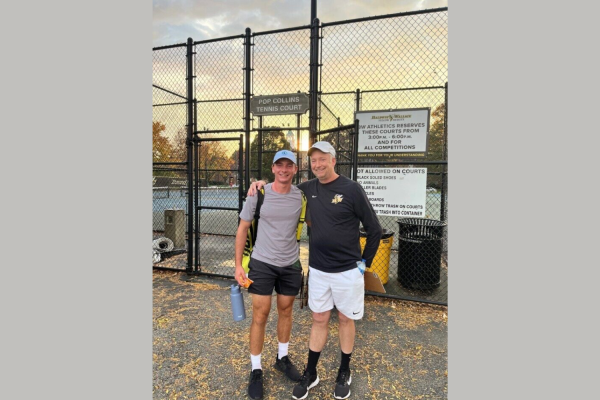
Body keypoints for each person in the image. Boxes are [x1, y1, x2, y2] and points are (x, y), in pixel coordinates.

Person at [248, 141, 382, 400]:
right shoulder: (307, 188)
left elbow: (374, 229)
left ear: (334, 161)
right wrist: (260, 183)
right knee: (319, 319)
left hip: (348, 271)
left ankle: (344, 371)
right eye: (314, 160)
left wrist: (364, 264)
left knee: (345, 319)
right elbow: (282, 184)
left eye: (323, 159)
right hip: (319, 270)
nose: (318, 164)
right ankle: (311, 372)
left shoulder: (352, 189)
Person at [235, 150, 306, 400]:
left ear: (295, 169)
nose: (284, 170)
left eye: (289, 165)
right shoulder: (259, 194)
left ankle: (282, 357)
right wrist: (238, 266)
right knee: (260, 314)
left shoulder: (302, 196)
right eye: (280, 165)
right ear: (273, 168)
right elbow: (243, 228)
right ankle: (256, 369)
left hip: (290, 264)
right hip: (262, 263)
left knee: (286, 310)